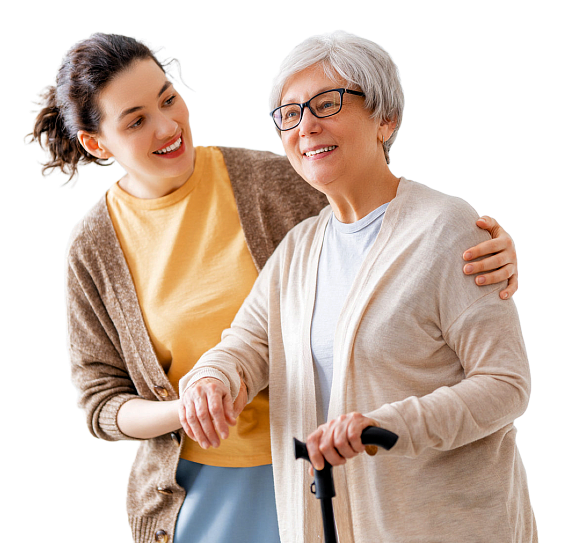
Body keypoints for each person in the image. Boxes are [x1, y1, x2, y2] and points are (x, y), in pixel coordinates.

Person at [25, 32, 518, 543]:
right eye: (136, 120)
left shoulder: (275, 179)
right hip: (218, 481)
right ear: (96, 143)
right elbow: (225, 350)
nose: (168, 125)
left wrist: (486, 242)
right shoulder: (93, 246)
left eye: (169, 98)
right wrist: (199, 395)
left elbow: (386, 215)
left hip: (344, 469)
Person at [179, 30, 536, 542]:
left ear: (384, 118)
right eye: (290, 113)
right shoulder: (299, 249)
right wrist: (212, 381)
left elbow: (505, 384)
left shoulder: (447, 229)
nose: (306, 126)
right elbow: (246, 345)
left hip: (446, 526)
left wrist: (383, 427)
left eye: (327, 103)